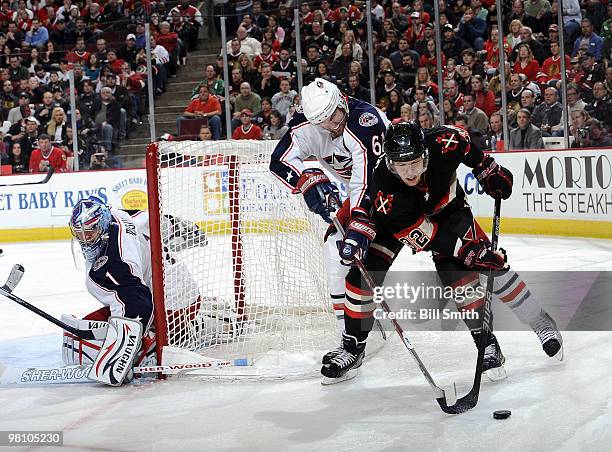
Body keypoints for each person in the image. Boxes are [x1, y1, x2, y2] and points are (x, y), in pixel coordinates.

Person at [320, 121, 563, 382]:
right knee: (361, 277)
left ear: (425, 154)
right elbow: (427, 237)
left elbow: (467, 146)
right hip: (397, 222)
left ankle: (537, 321)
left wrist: (486, 169)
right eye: (402, 166)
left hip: (449, 210)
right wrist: (467, 251)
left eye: (414, 162)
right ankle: (353, 346)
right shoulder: (385, 186)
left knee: (473, 270)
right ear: (391, 164)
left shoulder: (444, 142)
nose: (410, 172)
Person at [64, 196, 233, 386]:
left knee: (84, 347)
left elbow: (140, 304)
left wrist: (121, 359)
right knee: (77, 336)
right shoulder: (119, 215)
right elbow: (153, 221)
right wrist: (181, 229)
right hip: (178, 290)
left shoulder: (116, 261)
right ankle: (197, 317)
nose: (85, 238)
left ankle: (204, 325)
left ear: (102, 225)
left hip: (171, 306)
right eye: (79, 232)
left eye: (90, 231)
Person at [270, 77, 390, 331]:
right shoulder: (307, 126)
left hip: (393, 190)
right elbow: (279, 161)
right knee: (337, 250)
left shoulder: (366, 120)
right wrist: (306, 180)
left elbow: (367, 182)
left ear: (341, 100)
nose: (332, 123)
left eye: (334, 114)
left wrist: (357, 219)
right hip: (360, 196)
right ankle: (349, 330)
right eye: (323, 120)